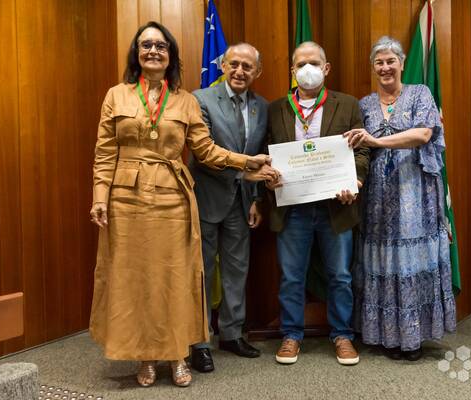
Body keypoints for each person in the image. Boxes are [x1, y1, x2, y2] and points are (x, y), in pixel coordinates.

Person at [88, 21, 276, 388]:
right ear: (137, 53)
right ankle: (146, 356)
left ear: (171, 55)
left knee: (175, 277)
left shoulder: (186, 100)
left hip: (173, 198)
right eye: (146, 45)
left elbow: (205, 150)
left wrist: (246, 162)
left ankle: (177, 354)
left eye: (161, 46)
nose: (153, 51)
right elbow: (105, 153)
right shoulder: (116, 95)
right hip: (125, 199)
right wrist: (99, 197)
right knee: (135, 279)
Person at [345, 36, 456, 361]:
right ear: (373, 67)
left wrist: (377, 142)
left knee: (412, 260)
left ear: (402, 63)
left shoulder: (420, 93)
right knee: (382, 260)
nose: (385, 67)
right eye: (379, 62)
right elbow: (355, 146)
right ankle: (385, 336)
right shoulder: (363, 104)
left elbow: (423, 133)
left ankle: (414, 337)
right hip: (376, 197)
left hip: (416, 194)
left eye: (390, 61)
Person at [265, 41, 369, 366]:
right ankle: (291, 335)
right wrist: (268, 177)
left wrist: (355, 181)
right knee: (291, 277)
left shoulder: (348, 104)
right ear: (292, 70)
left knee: (340, 276)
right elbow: (266, 154)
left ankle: (342, 335)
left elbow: (362, 150)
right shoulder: (275, 109)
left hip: (335, 208)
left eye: (313, 63)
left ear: (326, 68)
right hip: (292, 208)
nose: (307, 69)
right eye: (300, 64)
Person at [188, 42, 267, 372]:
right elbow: (204, 152)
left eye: (247, 66)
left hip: (242, 201)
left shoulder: (262, 106)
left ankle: (232, 334)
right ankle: (199, 342)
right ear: (222, 66)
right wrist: (244, 171)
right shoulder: (200, 99)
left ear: (257, 72)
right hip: (207, 197)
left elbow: (261, 154)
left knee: (237, 270)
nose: (239, 71)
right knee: (202, 271)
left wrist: (257, 198)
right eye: (234, 64)